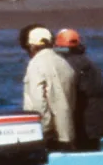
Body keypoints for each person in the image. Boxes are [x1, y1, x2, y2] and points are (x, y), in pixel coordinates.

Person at [19, 23, 79, 151]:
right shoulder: (63, 62)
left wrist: (44, 128)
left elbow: (38, 103)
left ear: (32, 46)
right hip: (67, 133)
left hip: (47, 135)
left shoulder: (35, 64)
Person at [54, 29, 103, 152]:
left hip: (85, 123)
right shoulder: (86, 61)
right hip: (98, 119)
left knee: (83, 150)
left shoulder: (68, 63)